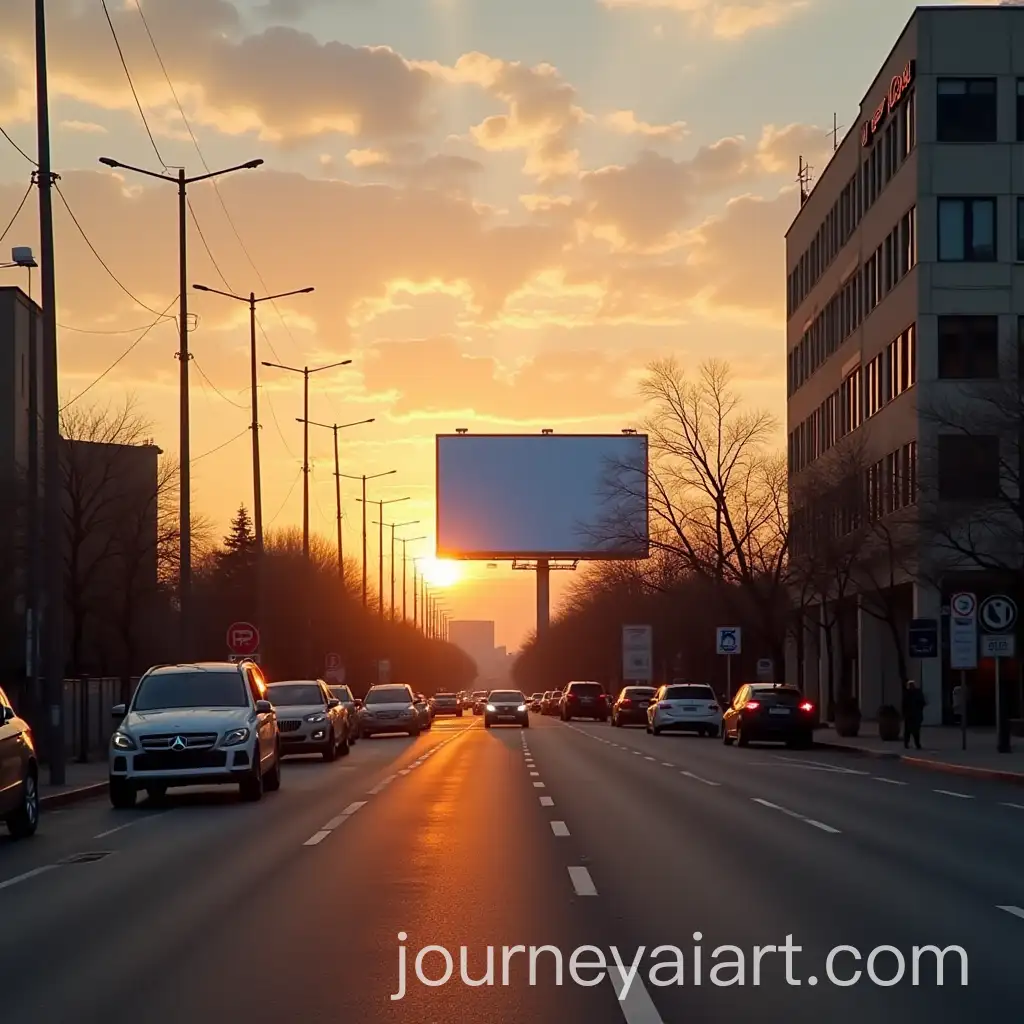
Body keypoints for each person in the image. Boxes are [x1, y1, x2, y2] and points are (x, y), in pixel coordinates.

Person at [902, 679, 926, 750]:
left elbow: (922, 703)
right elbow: (904, 705)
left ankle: (916, 744)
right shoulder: (907, 694)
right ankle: (907, 743)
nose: (911, 687)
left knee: (915, 730)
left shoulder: (917, 693)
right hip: (910, 715)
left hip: (915, 714)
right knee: (908, 731)